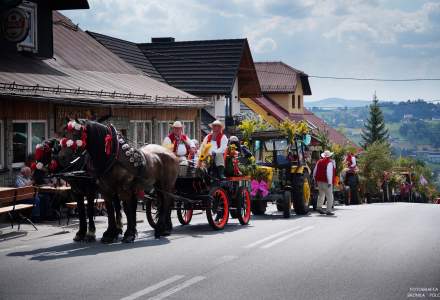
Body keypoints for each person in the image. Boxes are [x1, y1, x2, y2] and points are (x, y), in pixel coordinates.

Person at [313, 150, 335, 215]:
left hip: (319, 181)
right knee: (329, 196)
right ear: (330, 156)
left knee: (321, 195)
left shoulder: (319, 161)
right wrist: (330, 182)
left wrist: (314, 179)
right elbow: (329, 173)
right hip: (326, 181)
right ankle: (328, 210)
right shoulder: (329, 162)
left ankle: (319, 207)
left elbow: (315, 171)